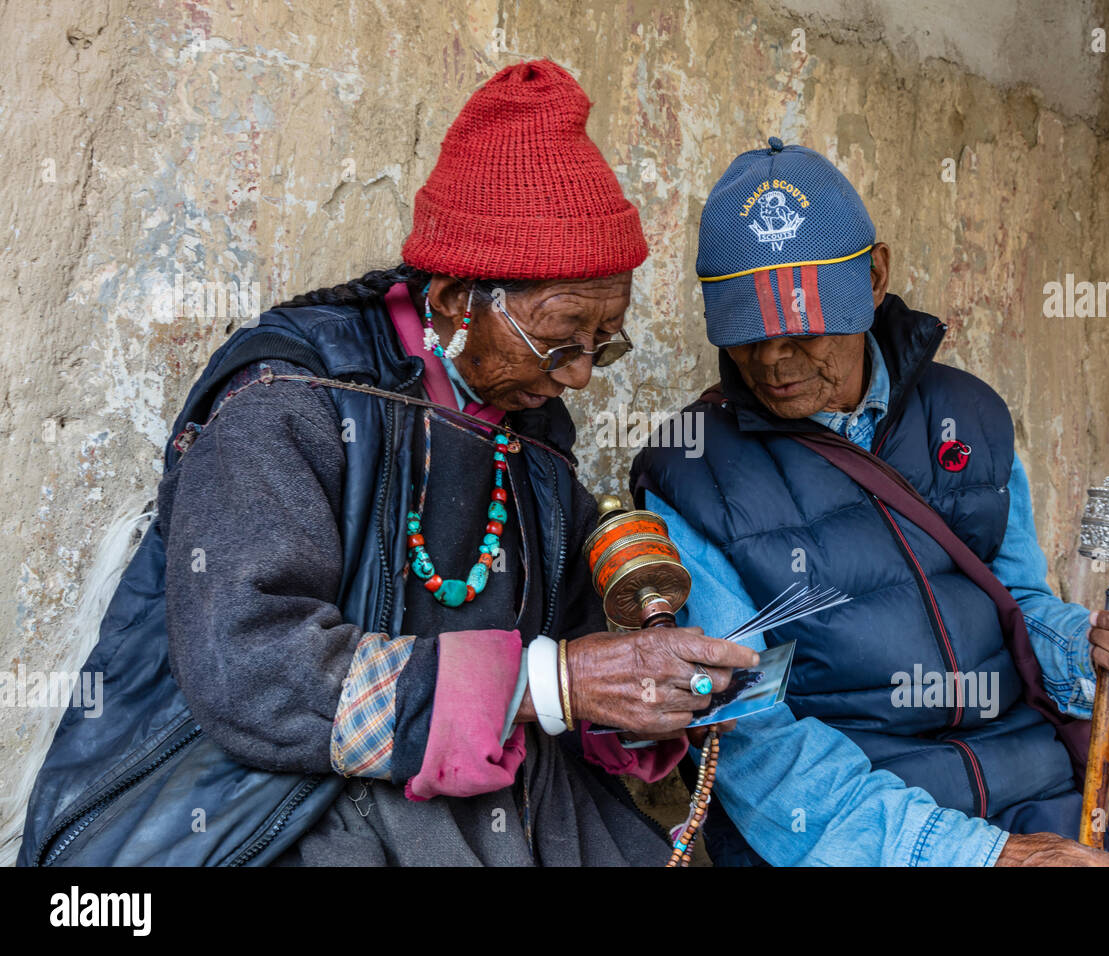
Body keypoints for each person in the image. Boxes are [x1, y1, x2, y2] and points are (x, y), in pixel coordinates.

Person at [17, 59, 755, 868]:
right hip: (279, 801)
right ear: (451, 302)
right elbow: (253, 666)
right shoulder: (291, 396)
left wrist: (643, 688)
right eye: (561, 336)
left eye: (603, 340)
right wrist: (551, 685)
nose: (579, 372)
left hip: (497, 793)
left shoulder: (534, 431)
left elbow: (570, 638)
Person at [631, 138, 1109, 867]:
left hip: (1035, 788)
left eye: (802, 326)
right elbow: (753, 739)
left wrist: (1093, 650)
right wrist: (983, 856)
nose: (772, 358)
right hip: (859, 832)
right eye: (745, 333)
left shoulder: (971, 417)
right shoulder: (692, 472)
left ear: (873, 276)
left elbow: (1017, 600)